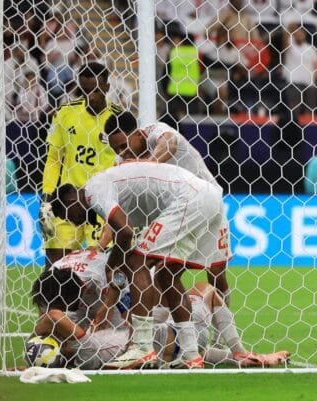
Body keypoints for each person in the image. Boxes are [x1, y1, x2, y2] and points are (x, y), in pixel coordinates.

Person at [50, 159, 231, 369]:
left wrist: (111, 265)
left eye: (69, 216)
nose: (76, 223)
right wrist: (115, 270)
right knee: (166, 276)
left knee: (139, 262)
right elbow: (124, 236)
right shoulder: (116, 192)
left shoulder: (93, 190)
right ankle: (191, 353)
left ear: (71, 199)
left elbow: (125, 232)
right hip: (209, 197)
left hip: (189, 198)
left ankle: (142, 346)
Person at [103, 111, 232, 307]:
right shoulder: (122, 164)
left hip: (209, 204)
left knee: (216, 273)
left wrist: (147, 165)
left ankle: (223, 332)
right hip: (178, 215)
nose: (122, 153)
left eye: (123, 145)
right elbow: (118, 211)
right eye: (116, 149)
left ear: (138, 134)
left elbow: (169, 144)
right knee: (164, 275)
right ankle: (174, 330)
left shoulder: (157, 131)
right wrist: (100, 244)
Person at [39, 62, 122, 267]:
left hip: (102, 205)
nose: (90, 97)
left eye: (95, 91)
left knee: (101, 268)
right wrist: (47, 199)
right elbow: (53, 159)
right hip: (68, 202)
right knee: (56, 267)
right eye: (85, 91)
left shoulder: (119, 119)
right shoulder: (65, 114)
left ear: (107, 87)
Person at [31, 249, 129, 369]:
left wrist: (108, 306)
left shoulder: (97, 276)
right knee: (60, 333)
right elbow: (50, 317)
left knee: (121, 332)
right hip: (80, 299)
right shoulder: (51, 282)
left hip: (110, 297)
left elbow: (120, 277)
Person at [152, 281, 289, 368]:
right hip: (181, 335)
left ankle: (240, 358)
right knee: (205, 288)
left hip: (159, 348)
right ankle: (239, 351)